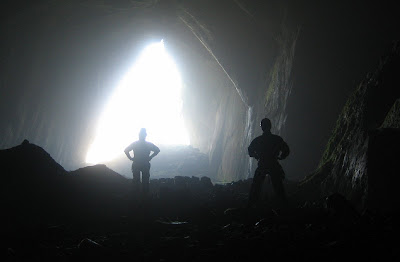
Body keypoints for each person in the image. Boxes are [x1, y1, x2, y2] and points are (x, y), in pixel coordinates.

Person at [248, 118, 290, 207]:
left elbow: (250, 151)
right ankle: (283, 205)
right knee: (278, 185)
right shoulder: (277, 139)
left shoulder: (257, 140)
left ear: (261, 127)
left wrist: (256, 156)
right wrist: (281, 157)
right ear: (270, 126)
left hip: (262, 164)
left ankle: (252, 205)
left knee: (256, 186)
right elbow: (286, 150)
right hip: (273, 163)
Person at [124, 128, 160, 196]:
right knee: (145, 181)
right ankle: (145, 196)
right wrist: (150, 157)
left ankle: (136, 196)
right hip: (145, 163)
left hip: (136, 163)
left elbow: (126, 150)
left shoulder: (135, 144)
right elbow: (157, 150)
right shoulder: (148, 144)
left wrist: (131, 158)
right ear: (145, 135)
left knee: (136, 180)